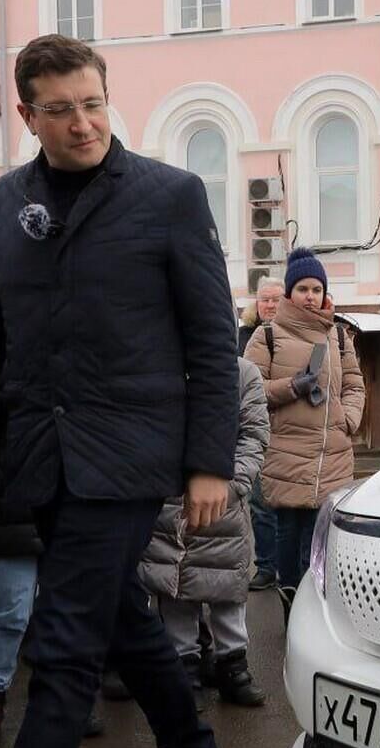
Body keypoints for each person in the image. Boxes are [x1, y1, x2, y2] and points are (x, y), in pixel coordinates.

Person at [0, 34, 238, 748]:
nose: (82, 123)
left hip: (130, 451)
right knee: (123, 617)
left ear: (106, 97)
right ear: (28, 115)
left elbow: (212, 339)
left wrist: (210, 461)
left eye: (92, 103)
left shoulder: (170, 195)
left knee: (63, 643)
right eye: (60, 111)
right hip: (42, 453)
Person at [0, 391, 105, 748]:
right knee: (10, 610)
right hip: (6, 500)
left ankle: (67, 697)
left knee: (69, 610)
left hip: (70, 495)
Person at [140, 356, 270, 707]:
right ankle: (185, 669)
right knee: (177, 588)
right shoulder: (160, 368)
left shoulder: (243, 373)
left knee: (228, 587)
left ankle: (233, 665)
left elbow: (254, 434)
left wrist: (233, 485)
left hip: (224, 498)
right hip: (170, 498)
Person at [245, 247, 364, 596]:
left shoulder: (339, 336)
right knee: (287, 530)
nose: (310, 297)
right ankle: (288, 602)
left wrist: (349, 419)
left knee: (319, 535)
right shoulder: (266, 335)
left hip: (331, 452)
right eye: (303, 289)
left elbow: (356, 385)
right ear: (289, 293)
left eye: (316, 289)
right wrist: (290, 387)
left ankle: (312, 608)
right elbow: (248, 391)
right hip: (286, 451)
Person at [238, 277, 283, 591]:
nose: (270, 304)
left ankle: (290, 568)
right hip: (253, 428)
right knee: (260, 502)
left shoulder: (293, 335)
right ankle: (266, 566)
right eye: (265, 299)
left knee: (288, 506)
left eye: (276, 299)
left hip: (288, 430)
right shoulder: (242, 337)